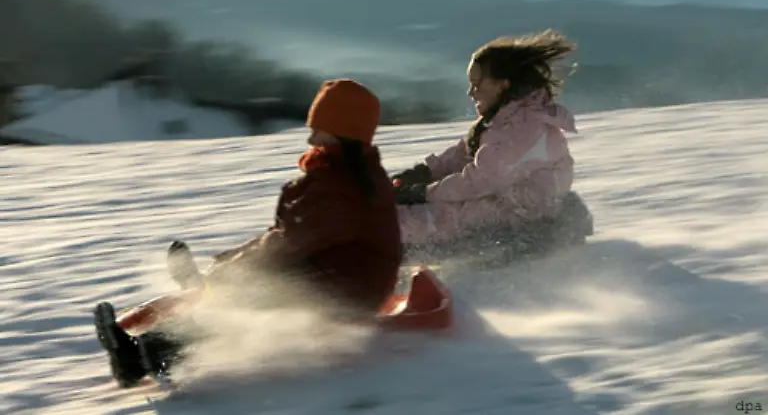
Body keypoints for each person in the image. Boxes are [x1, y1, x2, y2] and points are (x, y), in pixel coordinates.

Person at [94, 78, 404, 388]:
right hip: (330, 269)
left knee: (253, 291)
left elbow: (290, 243)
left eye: (319, 129)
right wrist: (234, 258)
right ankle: (135, 358)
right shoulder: (339, 174)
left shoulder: (342, 186)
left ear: (343, 133)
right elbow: (288, 233)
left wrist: (237, 268)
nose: (310, 137)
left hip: (350, 287)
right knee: (243, 281)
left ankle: (161, 348)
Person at [392, 29, 579, 246]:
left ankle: (383, 251)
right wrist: (424, 172)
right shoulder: (505, 117)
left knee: (430, 219)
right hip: (502, 199)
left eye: (477, 84)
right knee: (422, 211)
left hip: (522, 213)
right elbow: (466, 154)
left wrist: (423, 193)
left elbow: (479, 181)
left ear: (503, 84)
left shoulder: (524, 127)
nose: (471, 92)